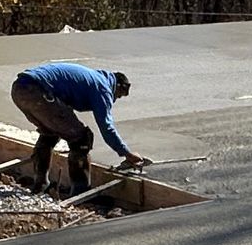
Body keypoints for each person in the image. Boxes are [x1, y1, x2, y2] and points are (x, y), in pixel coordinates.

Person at [10, 62, 149, 195]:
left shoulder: (92, 79)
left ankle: (40, 185)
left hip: (20, 89)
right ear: (117, 86)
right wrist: (126, 153)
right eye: (118, 95)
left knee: (50, 133)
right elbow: (106, 127)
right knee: (81, 138)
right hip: (36, 90)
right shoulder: (103, 87)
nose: (115, 99)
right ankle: (80, 191)